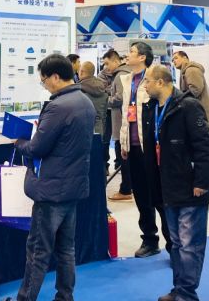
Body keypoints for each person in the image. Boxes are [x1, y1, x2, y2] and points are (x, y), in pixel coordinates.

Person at [13, 54, 95, 301]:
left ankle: (25, 298)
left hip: (51, 190)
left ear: (56, 77)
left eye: (44, 80)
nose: (44, 84)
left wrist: (19, 142)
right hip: (73, 187)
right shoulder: (85, 102)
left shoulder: (58, 106)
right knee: (66, 249)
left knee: (38, 252)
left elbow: (37, 147)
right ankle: (65, 296)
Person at [143, 64, 209, 301]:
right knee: (176, 243)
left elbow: (204, 147)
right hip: (167, 185)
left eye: (147, 81)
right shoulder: (152, 108)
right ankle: (180, 290)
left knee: (190, 244)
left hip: (190, 185)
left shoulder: (188, 106)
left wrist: (202, 181)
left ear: (160, 82)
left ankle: (186, 294)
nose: (144, 85)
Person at [120, 41, 171, 258]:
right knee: (141, 197)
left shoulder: (153, 78)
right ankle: (150, 239)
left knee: (158, 196)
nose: (127, 55)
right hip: (131, 147)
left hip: (151, 148)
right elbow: (126, 114)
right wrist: (123, 142)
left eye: (131, 52)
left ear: (142, 57)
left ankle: (173, 242)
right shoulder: (125, 80)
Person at [100, 49, 133, 201]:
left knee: (123, 158)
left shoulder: (120, 76)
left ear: (115, 60)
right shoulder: (125, 73)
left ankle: (125, 190)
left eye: (107, 63)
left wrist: (105, 100)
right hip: (124, 121)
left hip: (121, 122)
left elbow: (120, 98)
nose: (106, 67)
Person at [171, 51, 209, 129]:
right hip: (196, 111)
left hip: (198, 113)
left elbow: (195, 90)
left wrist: (180, 99)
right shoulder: (186, 71)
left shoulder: (191, 70)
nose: (174, 61)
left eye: (176, 58)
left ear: (185, 58)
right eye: (172, 60)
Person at [78, 61, 108, 139]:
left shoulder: (77, 91)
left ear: (81, 72)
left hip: (82, 129)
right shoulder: (102, 88)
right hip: (99, 128)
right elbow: (104, 115)